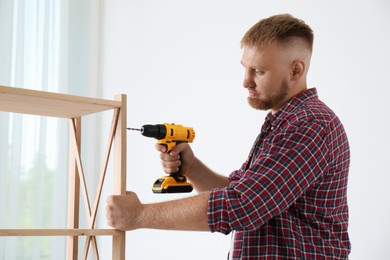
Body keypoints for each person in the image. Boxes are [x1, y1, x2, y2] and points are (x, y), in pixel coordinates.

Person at [106, 13, 351, 259]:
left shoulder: (310, 125)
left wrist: (137, 215)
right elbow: (242, 191)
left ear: (296, 70)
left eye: (259, 71)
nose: (246, 81)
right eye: (245, 68)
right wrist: (192, 168)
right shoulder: (282, 123)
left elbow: (244, 205)